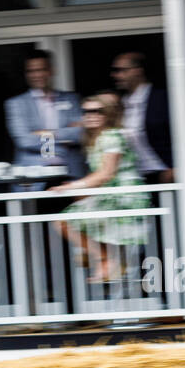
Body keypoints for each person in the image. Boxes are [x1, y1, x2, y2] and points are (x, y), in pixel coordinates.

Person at [51, 93, 151, 283]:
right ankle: (108, 260)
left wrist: (74, 186)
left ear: (108, 114)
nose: (90, 115)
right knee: (68, 222)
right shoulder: (97, 138)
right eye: (86, 111)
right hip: (110, 195)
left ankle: (106, 260)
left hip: (124, 198)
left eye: (97, 111)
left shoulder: (111, 136)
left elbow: (106, 173)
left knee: (64, 222)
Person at [4, 50, 86, 180]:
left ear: (51, 71)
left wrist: (42, 133)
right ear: (26, 74)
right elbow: (24, 141)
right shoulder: (16, 104)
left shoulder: (72, 99)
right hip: (33, 175)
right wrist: (65, 135)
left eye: (41, 69)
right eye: (31, 71)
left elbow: (80, 133)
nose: (37, 75)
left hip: (71, 172)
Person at [112, 52, 173, 183]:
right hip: (134, 177)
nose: (115, 75)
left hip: (164, 174)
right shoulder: (121, 102)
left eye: (120, 70)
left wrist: (175, 167)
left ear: (138, 71)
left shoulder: (162, 98)